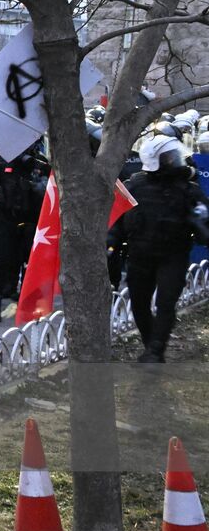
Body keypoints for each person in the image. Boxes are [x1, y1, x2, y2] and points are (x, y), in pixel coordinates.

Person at [109, 133, 209, 362]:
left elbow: (205, 218)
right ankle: (150, 344)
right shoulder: (133, 185)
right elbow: (116, 221)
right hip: (139, 255)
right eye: (170, 157)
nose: (175, 160)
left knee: (166, 302)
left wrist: (199, 221)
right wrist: (110, 242)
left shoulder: (187, 189)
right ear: (155, 160)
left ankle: (156, 350)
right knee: (139, 303)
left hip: (173, 255)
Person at [0, 151, 44, 321]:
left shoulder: (40, 167)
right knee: (0, 262)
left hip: (31, 225)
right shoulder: (3, 168)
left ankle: (29, 303)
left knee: (30, 263)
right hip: (7, 222)